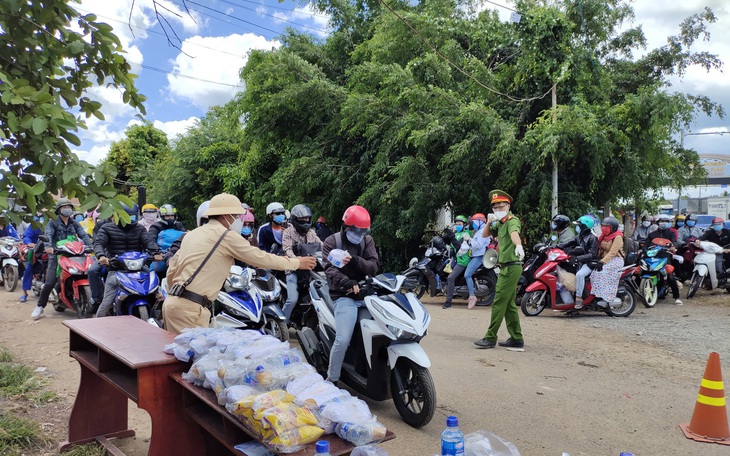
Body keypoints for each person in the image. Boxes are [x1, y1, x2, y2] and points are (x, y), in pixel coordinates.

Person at [162, 193, 316, 334]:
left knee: (181, 360)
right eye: (236, 216)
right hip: (191, 309)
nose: (239, 221)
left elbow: (172, 269)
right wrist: (296, 263)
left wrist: (177, 297)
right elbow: (260, 257)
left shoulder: (192, 234)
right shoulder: (225, 236)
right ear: (225, 215)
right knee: (191, 362)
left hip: (173, 304)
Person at [322, 205, 380, 382]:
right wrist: (346, 281)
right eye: (357, 231)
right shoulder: (332, 242)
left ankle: (365, 371)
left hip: (364, 294)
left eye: (363, 232)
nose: (360, 235)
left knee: (380, 332)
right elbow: (329, 269)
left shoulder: (366, 241)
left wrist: (355, 261)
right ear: (345, 226)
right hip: (343, 296)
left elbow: (374, 265)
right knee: (343, 339)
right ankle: (332, 379)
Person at [93, 204, 163, 317]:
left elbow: (148, 241)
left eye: (132, 217)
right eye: (126, 216)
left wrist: (156, 252)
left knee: (158, 293)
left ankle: (159, 320)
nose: (129, 220)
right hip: (116, 269)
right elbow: (99, 243)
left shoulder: (139, 228)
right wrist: (101, 256)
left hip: (139, 267)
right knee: (107, 303)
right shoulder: (107, 228)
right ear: (118, 216)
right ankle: (95, 328)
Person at [475, 190, 524, 349]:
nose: (497, 209)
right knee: (509, 305)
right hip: (505, 267)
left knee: (498, 302)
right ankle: (516, 338)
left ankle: (490, 338)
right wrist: (489, 222)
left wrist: (518, 245)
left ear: (508, 206)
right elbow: (484, 235)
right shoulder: (500, 223)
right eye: (495, 207)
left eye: (501, 206)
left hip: (511, 267)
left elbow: (514, 233)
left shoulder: (511, 220)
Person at [31, 198, 92, 320]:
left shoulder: (74, 222)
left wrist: (90, 245)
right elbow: (48, 235)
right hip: (56, 254)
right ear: (59, 210)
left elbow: (83, 234)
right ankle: (40, 306)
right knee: (50, 282)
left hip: (73, 253)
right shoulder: (52, 223)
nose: (67, 209)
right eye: (64, 207)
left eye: (69, 207)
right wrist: (48, 247)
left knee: (87, 272)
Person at [281, 204, 322, 323]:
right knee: (292, 299)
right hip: (293, 270)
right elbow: (287, 249)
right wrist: (297, 261)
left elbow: (321, 246)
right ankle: (282, 324)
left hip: (310, 270)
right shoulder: (288, 232)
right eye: (301, 219)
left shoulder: (312, 232)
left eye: (307, 219)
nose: (305, 222)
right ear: (294, 220)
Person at [557, 215, 599, 309]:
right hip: (581, 262)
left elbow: (592, 254)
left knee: (580, 275)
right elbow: (568, 243)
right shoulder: (580, 236)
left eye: (580, 226)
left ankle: (579, 298)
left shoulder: (593, 238)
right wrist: (556, 247)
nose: (578, 227)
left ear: (585, 226)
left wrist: (578, 258)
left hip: (589, 263)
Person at [645, 214, 682, 305]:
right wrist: (642, 251)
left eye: (666, 221)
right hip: (652, 257)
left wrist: (673, 247)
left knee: (670, 277)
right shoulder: (652, 234)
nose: (664, 223)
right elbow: (646, 245)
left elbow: (675, 243)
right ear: (658, 223)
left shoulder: (671, 233)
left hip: (665, 257)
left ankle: (676, 297)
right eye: (662, 221)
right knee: (642, 272)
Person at [588, 217, 625, 306]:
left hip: (615, 260)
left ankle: (607, 298)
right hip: (605, 259)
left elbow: (613, 252)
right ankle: (597, 296)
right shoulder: (604, 236)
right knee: (594, 273)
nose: (603, 228)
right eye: (602, 226)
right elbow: (599, 248)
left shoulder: (617, 237)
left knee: (602, 273)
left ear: (613, 228)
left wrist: (602, 262)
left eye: (606, 226)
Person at [441, 215, 472, 309]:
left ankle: (448, 302)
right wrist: (447, 233)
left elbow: (459, 247)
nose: (457, 225)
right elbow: (446, 240)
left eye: (460, 224)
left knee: (450, 278)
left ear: (464, 225)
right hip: (456, 260)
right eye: (456, 224)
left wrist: (452, 236)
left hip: (463, 261)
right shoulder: (457, 233)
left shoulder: (466, 234)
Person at [465, 213, 491, 309]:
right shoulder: (480, 230)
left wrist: (470, 240)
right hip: (476, 255)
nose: (473, 224)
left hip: (479, 257)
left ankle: (472, 296)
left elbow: (478, 245)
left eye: (474, 221)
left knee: (467, 275)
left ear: (480, 221)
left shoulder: (482, 231)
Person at [20, 214, 44, 303]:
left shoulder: (52, 223)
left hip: (50, 251)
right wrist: (29, 243)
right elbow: (26, 236)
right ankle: (24, 292)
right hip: (36, 251)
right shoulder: (34, 224)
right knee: (29, 268)